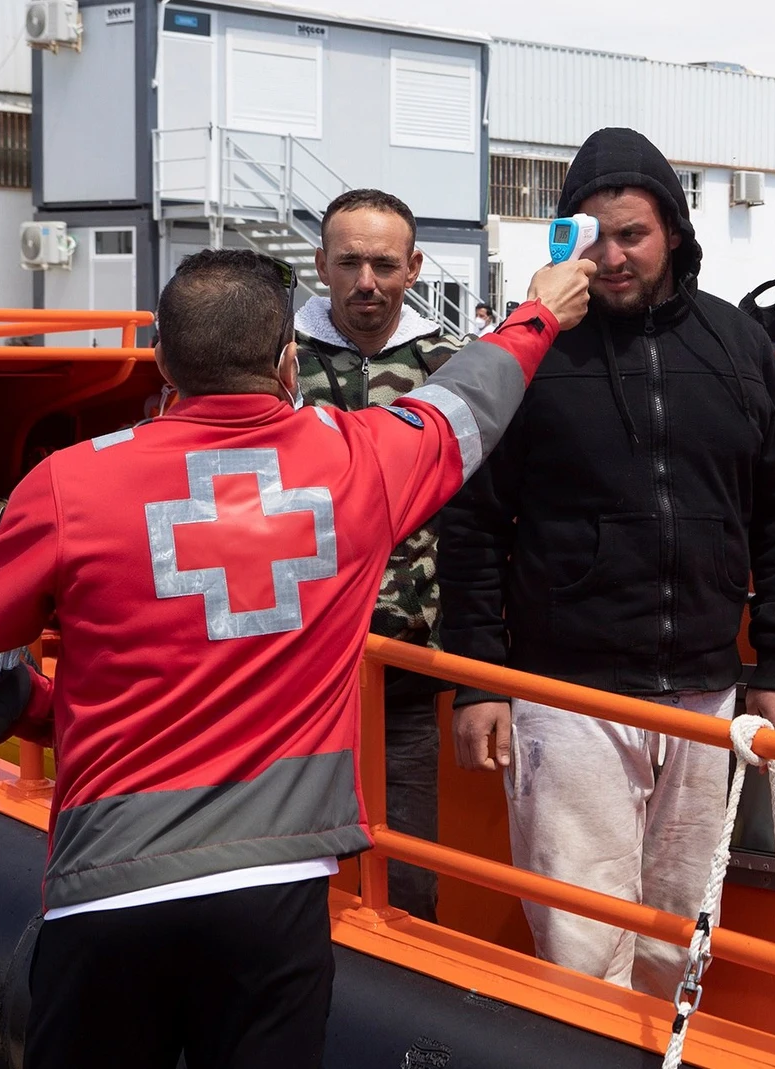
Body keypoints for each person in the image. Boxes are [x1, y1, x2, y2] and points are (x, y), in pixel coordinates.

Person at [0, 248, 594, 1068]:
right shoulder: (360, 461)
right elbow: (465, 401)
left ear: (162, 361)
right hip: (277, 896)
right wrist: (539, 311)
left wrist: (51, 718)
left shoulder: (68, 483)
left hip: (109, 889)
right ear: (287, 362)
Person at [437, 126, 775, 995]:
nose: (610, 257)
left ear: (675, 235)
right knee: (581, 947)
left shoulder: (736, 347)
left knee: (678, 938)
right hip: (566, 699)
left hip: (703, 693)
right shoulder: (526, 352)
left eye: (632, 235)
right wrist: (477, 680)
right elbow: (472, 524)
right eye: (588, 235)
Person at [294, 188, 458, 920]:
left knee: (409, 867)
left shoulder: (454, 368)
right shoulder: (276, 365)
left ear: (414, 267)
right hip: (293, 666)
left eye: (385, 264)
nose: (368, 281)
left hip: (407, 667)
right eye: (351, 261)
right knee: (292, 861)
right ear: (321, 264)